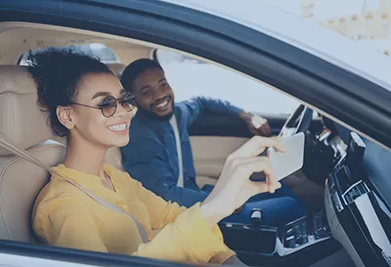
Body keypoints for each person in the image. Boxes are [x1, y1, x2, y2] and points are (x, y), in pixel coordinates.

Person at [30, 48, 285, 266]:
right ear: (67, 116)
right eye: (106, 104)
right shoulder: (63, 206)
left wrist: (225, 258)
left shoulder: (113, 177)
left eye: (124, 100)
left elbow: (171, 216)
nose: (125, 113)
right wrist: (214, 206)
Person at [120, 59, 305, 226]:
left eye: (163, 84)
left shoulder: (177, 114)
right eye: (147, 92)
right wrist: (223, 201)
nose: (160, 95)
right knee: (290, 207)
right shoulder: (138, 137)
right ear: (133, 99)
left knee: (281, 190)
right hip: (183, 216)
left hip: (196, 195)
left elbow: (202, 102)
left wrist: (246, 116)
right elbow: (165, 195)